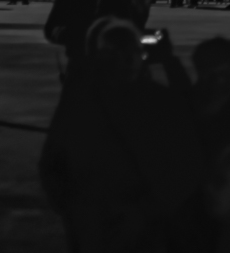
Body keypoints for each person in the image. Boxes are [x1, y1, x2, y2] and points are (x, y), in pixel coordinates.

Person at [40, 17, 202, 253]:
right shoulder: (82, 103)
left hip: (140, 224)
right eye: (115, 54)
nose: (125, 61)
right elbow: (53, 161)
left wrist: (145, 211)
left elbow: (185, 164)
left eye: (131, 52)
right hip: (96, 220)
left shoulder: (160, 102)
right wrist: (73, 207)